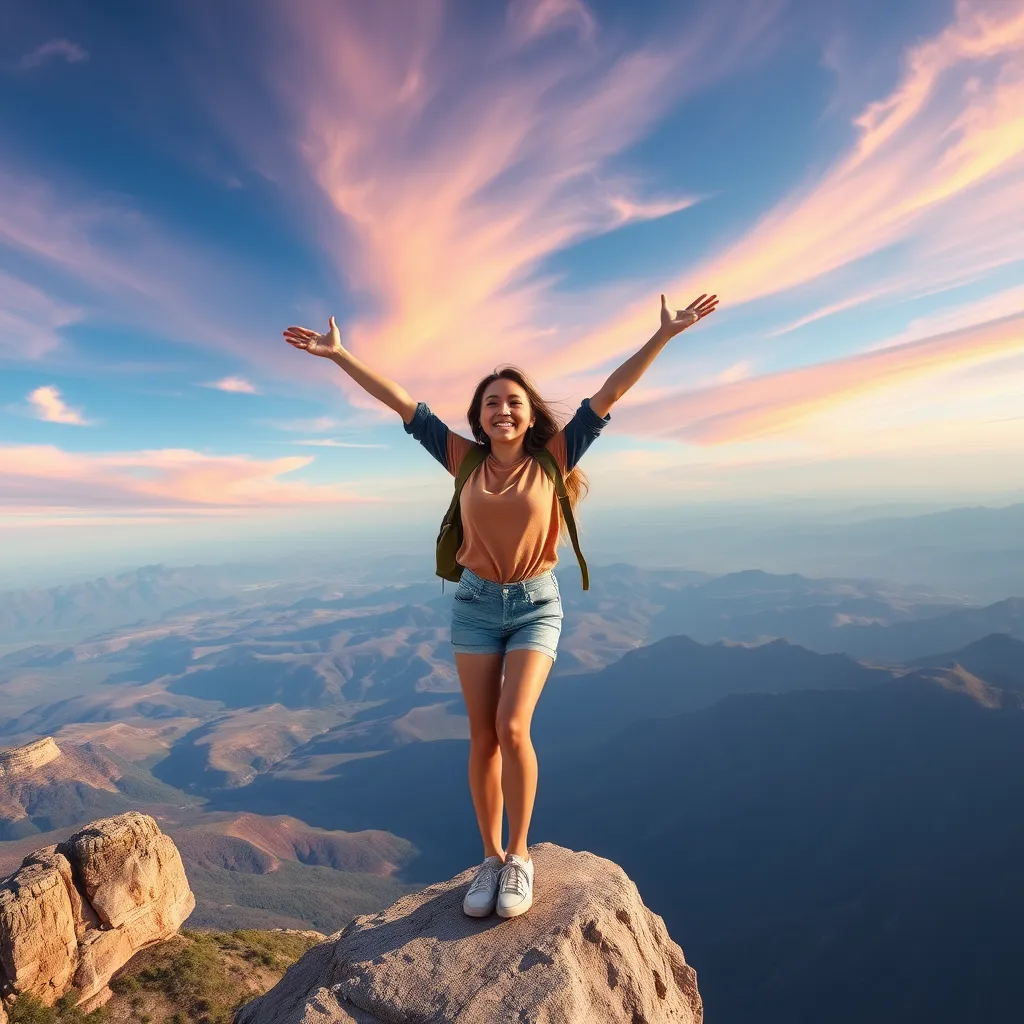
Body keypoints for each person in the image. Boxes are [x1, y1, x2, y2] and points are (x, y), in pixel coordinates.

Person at [283, 291, 718, 919]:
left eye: (513, 401)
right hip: (475, 607)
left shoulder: (556, 455)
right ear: (479, 417)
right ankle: (488, 860)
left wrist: (664, 337)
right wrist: (341, 354)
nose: (503, 410)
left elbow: (611, 392)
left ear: (528, 412)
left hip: (537, 605)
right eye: (492, 403)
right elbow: (403, 403)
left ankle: (519, 858)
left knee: (515, 727)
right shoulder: (462, 459)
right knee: (482, 736)